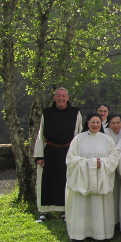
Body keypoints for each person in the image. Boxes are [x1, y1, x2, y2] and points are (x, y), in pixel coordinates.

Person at [65, 113, 119, 241]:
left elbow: (114, 157)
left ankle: (101, 234)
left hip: (101, 179)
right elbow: (71, 159)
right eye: (92, 122)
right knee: (82, 206)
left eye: (98, 122)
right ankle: (79, 234)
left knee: (99, 207)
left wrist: (103, 162)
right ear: (87, 123)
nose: (95, 125)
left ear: (101, 124)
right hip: (82, 180)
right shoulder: (78, 139)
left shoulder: (107, 139)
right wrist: (91, 164)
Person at [34, 87, 83, 222]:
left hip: (68, 152)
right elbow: (40, 134)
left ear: (67, 98)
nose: (61, 98)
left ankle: (64, 210)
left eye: (63, 96)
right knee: (47, 181)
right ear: (54, 98)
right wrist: (39, 155)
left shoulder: (75, 113)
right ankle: (44, 211)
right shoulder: (47, 113)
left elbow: (78, 134)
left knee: (65, 181)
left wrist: (77, 154)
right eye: (58, 96)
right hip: (50, 151)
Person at [104, 113, 121, 224]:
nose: (115, 125)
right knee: (112, 194)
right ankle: (111, 219)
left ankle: (120, 219)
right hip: (109, 168)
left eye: (118, 122)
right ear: (109, 124)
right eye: (113, 123)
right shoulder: (104, 134)